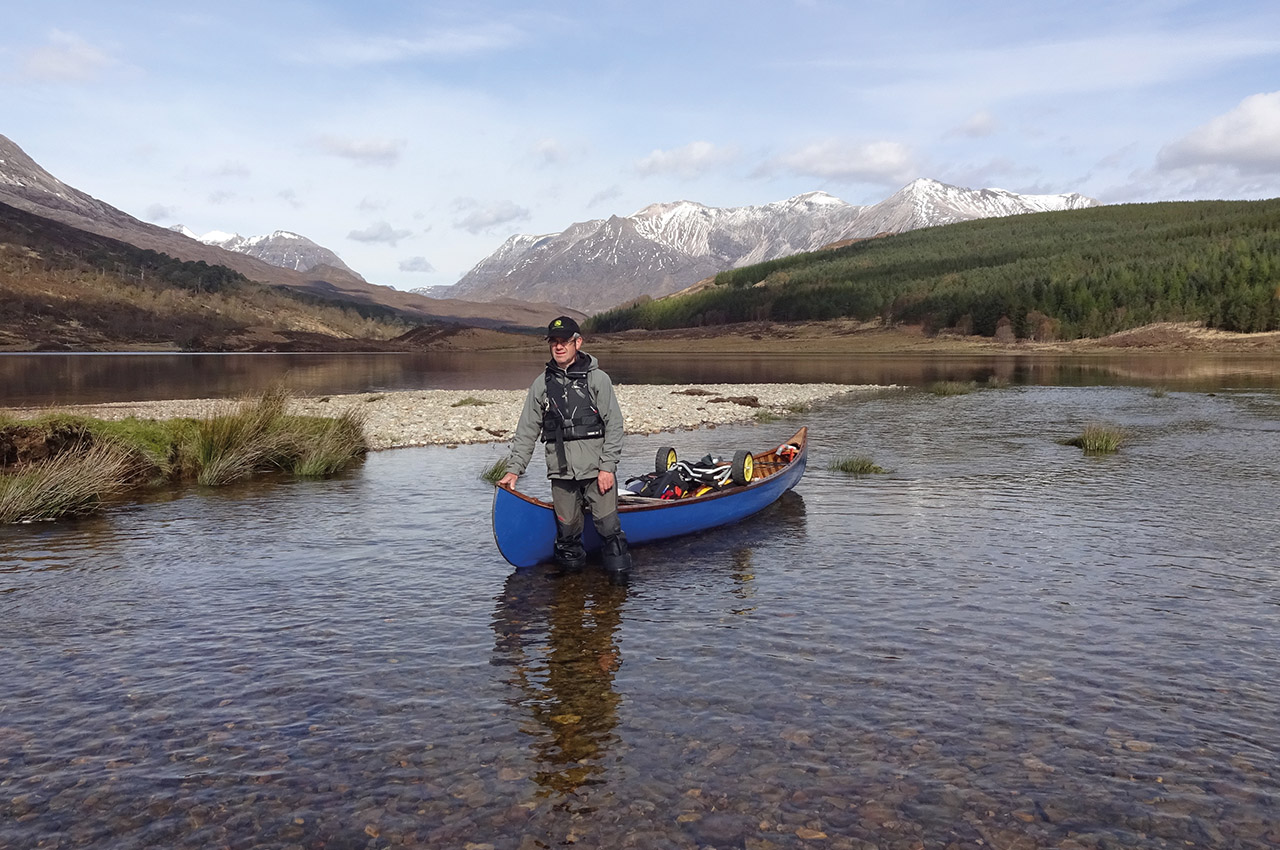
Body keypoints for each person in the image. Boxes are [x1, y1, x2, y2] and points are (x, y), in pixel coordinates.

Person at [498, 316, 631, 574]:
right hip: (561, 474)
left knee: (609, 532)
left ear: (577, 343)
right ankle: (570, 602)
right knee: (567, 537)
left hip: (596, 472)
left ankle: (617, 596)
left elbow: (614, 425)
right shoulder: (541, 385)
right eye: (554, 342)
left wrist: (607, 467)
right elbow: (527, 430)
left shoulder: (598, 379)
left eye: (565, 342)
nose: (559, 347)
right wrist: (514, 470)